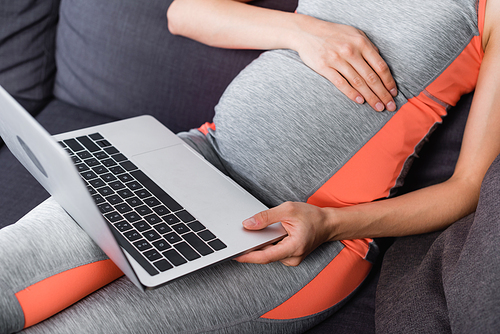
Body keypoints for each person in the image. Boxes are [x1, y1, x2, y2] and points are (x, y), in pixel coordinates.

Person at [0, 0, 499, 333]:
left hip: (301, 237)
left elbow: (467, 187)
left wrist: (329, 223)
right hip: (195, 156)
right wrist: (306, 31)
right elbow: (184, 12)